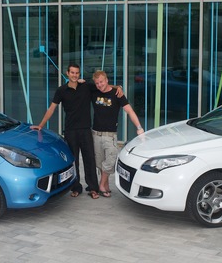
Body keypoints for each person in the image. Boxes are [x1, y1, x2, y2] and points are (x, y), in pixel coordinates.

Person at [31, 63, 102, 199]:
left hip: (85, 130)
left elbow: (103, 87)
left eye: (77, 73)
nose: (75, 75)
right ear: (67, 73)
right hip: (70, 131)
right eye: (72, 72)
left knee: (89, 159)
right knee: (73, 161)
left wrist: (118, 88)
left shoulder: (86, 86)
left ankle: (93, 188)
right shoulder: (61, 90)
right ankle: (75, 187)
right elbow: (52, 108)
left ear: (79, 74)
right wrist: (40, 125)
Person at [90, 70, 145, 197]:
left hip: (110, 136)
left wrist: (139, 127)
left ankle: (101, 185)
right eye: (97, 83)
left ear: (107, 80)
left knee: (110, 161)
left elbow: (130, 111)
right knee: (100, 162)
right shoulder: (94, 91)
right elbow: (82, 85)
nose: (99, 85)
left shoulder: (117, 94)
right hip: (96, 134)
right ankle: (106, 185)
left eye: (101, 82)